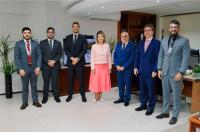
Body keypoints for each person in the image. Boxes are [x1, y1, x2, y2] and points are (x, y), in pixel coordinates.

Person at [156, 20, 190, 125]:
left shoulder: (184, 41)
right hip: (164, 72)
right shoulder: (164, 40)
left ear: (178, 28)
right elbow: (161, 55)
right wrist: (159, 69)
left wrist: (181, 72)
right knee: (165, 94)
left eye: (175, 27)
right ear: (169, 28)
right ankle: (165, 112)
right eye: (171, 27)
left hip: (176, 73)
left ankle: (175, 115)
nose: (173, 29)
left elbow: (185, 58)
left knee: (176, 95)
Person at [134, 24, 160, 115]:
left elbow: (158, 58)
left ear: (152, 31)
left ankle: (151, 107)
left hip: (151, 72)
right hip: (141, 70)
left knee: (151, 90)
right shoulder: (140, 43)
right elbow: (137, 56)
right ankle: (143, 104)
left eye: (148, 30)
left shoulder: (157, 43)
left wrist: (155, 70)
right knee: (142, 89)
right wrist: (135, 67)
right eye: (145, 30)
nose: (146, 32)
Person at [14, 27, 42, 110]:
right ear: (22, 34)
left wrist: (38, 67)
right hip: (24, 69)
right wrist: (20, 69)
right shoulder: (18, 44)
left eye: (28, 32)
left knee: (34, 86)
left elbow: (39, 55)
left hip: (34, 69)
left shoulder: (36, 43)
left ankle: (35, 101)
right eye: (25, 33)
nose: (27, 34)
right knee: (25, 87)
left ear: (31, 33)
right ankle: (25, 102)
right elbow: (16, 57)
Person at [63, 22, 88, 102]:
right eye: (74, 27)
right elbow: (66, 49)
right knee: (70, 80)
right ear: (72, 28)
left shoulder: (83, 38)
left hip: (80, 63)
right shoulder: (67, 37)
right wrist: (72, 58)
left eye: (77, 27)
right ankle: (70, 95)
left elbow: (84, 49)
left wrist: (77, 59)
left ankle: (83, 95)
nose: (75, 28)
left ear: (79, 28)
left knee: (81, 80)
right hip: (70, 63)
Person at [113, 32, 137, 106]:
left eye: (125, 36)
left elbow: (132, 58)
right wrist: (116, 65)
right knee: (120, 84)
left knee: (128, 84)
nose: (123, 38)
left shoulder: (133, 45)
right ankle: (121, 98)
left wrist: (124, 66)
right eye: (122, 36)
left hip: (127, 69)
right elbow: (115, 56)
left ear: (128, 37)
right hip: (118, 69)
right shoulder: (118, 45)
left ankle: (127, 99)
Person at [40, 27, 62, 104]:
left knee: (55, 82)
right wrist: (47, 62)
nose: (50, 33)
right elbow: (41, 54)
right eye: (49, 32)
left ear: (54, 33)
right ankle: (45, 97)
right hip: (45, 66)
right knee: (46, 82)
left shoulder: (58, 43)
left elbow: (60, 54)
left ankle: (56, 96)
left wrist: (54, 61)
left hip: (55, 66)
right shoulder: (42, 43)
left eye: (52, 32)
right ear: (47, 33)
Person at [89, 31, 112, 102]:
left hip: (105, 67)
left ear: (104, 37)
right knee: (96, 82)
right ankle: (96, 97)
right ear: (97, 38)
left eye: (102, 36)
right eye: (99, 36)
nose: (100, 38)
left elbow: (109, 57)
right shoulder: (94, 46)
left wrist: (110, 67)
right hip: (96, 67)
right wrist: (92, 68)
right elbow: (92, 58)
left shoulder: (107, 45)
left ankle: (100, 97)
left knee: (102, 82)